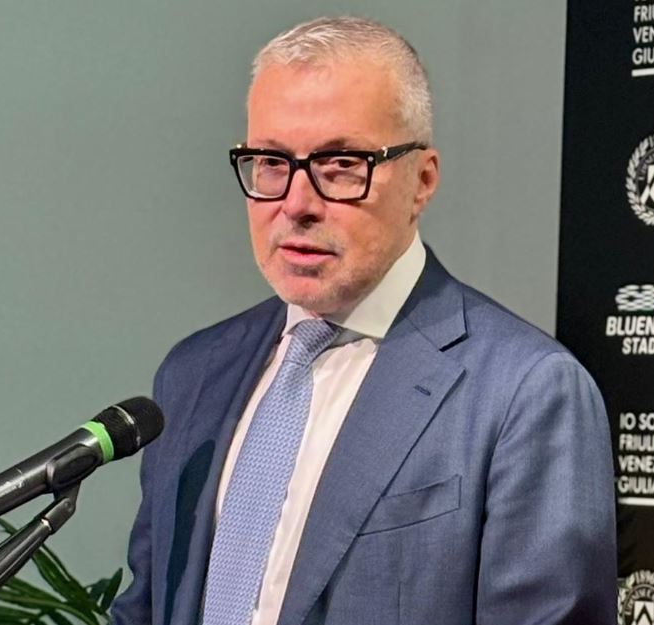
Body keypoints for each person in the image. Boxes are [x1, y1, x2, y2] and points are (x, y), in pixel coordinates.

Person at [111, 16, 616, 625]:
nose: (296, 204)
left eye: (341, 164)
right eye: (270, 161)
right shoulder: (193, 374)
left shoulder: (526, 393)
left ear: (422, 180)